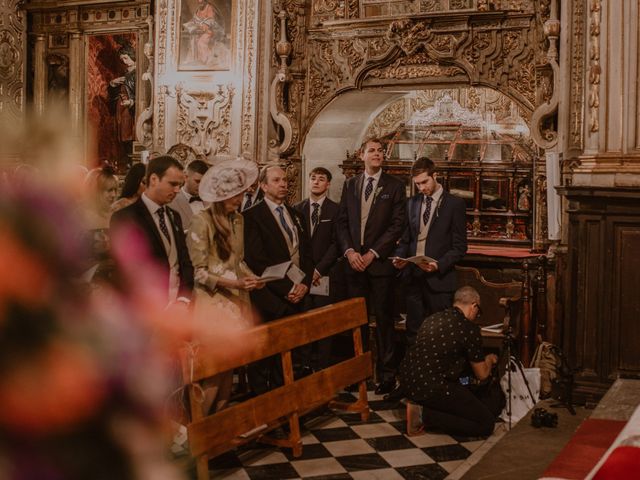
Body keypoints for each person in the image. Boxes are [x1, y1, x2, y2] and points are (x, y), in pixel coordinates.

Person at [187, 158, 264, 413]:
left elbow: (237, 261)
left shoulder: (238, 220)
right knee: (213, 372)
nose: (239, 200)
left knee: (229, 370)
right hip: (212, 304)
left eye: (241, 195)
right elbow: (199, 273)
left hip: (236, 301)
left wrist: (254, 278)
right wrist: (235, 283)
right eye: (235, 195)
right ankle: (198, 434)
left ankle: (219, 432)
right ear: (221, 195)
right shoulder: (202, 220)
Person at [336, 137, 407, 395]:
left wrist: (374, 253)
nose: (377, 154)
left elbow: (397, 225)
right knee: (357, 322)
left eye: (380, 151)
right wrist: (350, 251)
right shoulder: (350, 185)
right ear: (361, 154)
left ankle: (387, 376)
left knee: (385, 322)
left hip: (379, 266)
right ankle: (359, 374)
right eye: (372, 150)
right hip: (354, 265)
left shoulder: (395, 186)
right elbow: (342, 222)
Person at [243, 165, 314, 393]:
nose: (284, 184)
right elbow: (257, 261)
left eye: (285, 180)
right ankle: (261, 406)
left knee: (290, 356)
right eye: (277, 180)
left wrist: (304, 284)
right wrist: (287, 288)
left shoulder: (296, 214)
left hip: (297, 294)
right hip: (270, 297)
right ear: (263, 186)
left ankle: (285, 405)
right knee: (263, 355)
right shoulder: (252, 216)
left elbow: (307, 254)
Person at [398, 286, 502, 437]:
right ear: (474, 306)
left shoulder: (432, 318)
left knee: (463, 398)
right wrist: (490, 359)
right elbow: (482, 375)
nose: (476, 316)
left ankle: (420, 407)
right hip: (432, 387)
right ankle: (423, 415)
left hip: (407, 382)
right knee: (485, 424)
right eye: (478, 312)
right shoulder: (469, 328)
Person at [392, 157, 468, 346]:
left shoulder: (454, 204)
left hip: (440, 281)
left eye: (424, 182)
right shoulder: (412, 203)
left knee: (441, 333)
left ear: (435, 176)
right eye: (417, 184)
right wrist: (400, 256)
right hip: (414, 278)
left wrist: (439, 264)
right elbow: (406, 238)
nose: (421, 188)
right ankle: (415, 374)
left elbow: (460, 247)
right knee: (413, 333)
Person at [110, 155, 194, 304]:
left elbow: (185, 262)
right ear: (154, 179)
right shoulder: (125, 217)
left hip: (178, 306)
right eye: (173, 184)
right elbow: (126, 271)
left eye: (180, 185)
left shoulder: (175, 216)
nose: (177, 190)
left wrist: (183, 299)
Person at [293, 167, 343, 370]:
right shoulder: (297, 208)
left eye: (321, 179)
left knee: (323, 321)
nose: (316, 182)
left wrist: (319, 270)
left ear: (328, 184)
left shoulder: (335, 209)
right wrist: (306, 272)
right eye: (313, 178)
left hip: (325, 274)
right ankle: (304, 365)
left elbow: (336, 243)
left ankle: (322, 365)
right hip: (303, 274)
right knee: (304, 320)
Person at [82, 165, 119, 281]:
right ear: (94, 191)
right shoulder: (78, 216)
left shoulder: (117, 215)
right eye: (109, 191)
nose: (113, 195)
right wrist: (98, 267)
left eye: (115, 190)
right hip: (88, 285)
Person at [108, 45, 136, 167]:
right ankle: (126, 161)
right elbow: (117, 92)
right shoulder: (125, 73)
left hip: (130, 108)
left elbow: (142, 93)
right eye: (122, 60)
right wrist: (113, 84)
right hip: (121, 106)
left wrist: (132, 102)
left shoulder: (138, 72)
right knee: (122, 135)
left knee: (129, 134)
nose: (124, 62)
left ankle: (132, 161)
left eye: (126, 58)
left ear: (132, 55)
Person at [169, 159, 210, 230]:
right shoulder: (172, 201)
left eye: (204, 182)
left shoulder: (210, 200)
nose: (201, 186)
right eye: (197, 181)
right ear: (186, 177)